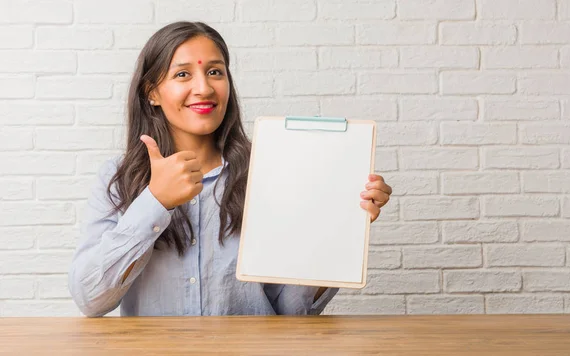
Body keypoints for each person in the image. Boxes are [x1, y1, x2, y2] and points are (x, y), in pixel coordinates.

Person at [68, 21, 393, 317]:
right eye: (183, 74)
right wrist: (155, 201)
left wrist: (338, 228)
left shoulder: (270, 174)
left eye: (215, 72)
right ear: (152, 92)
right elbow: (90, 298)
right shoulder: (118, 180)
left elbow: (292, 309)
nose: (205, 88)